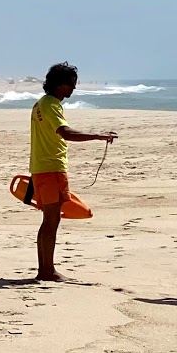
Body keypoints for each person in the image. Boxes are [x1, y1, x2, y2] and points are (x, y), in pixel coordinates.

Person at [29, 62, 117, 283]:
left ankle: (44, 269)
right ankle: (47, 271)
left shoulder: (40, 104)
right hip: (51, 168)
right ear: (61, 84)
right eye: (72, 84)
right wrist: (97, 136)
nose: (73, 89)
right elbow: (65, 133)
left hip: (41, 167)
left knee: (48, 220)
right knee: (51, 220)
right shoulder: (51, 105)